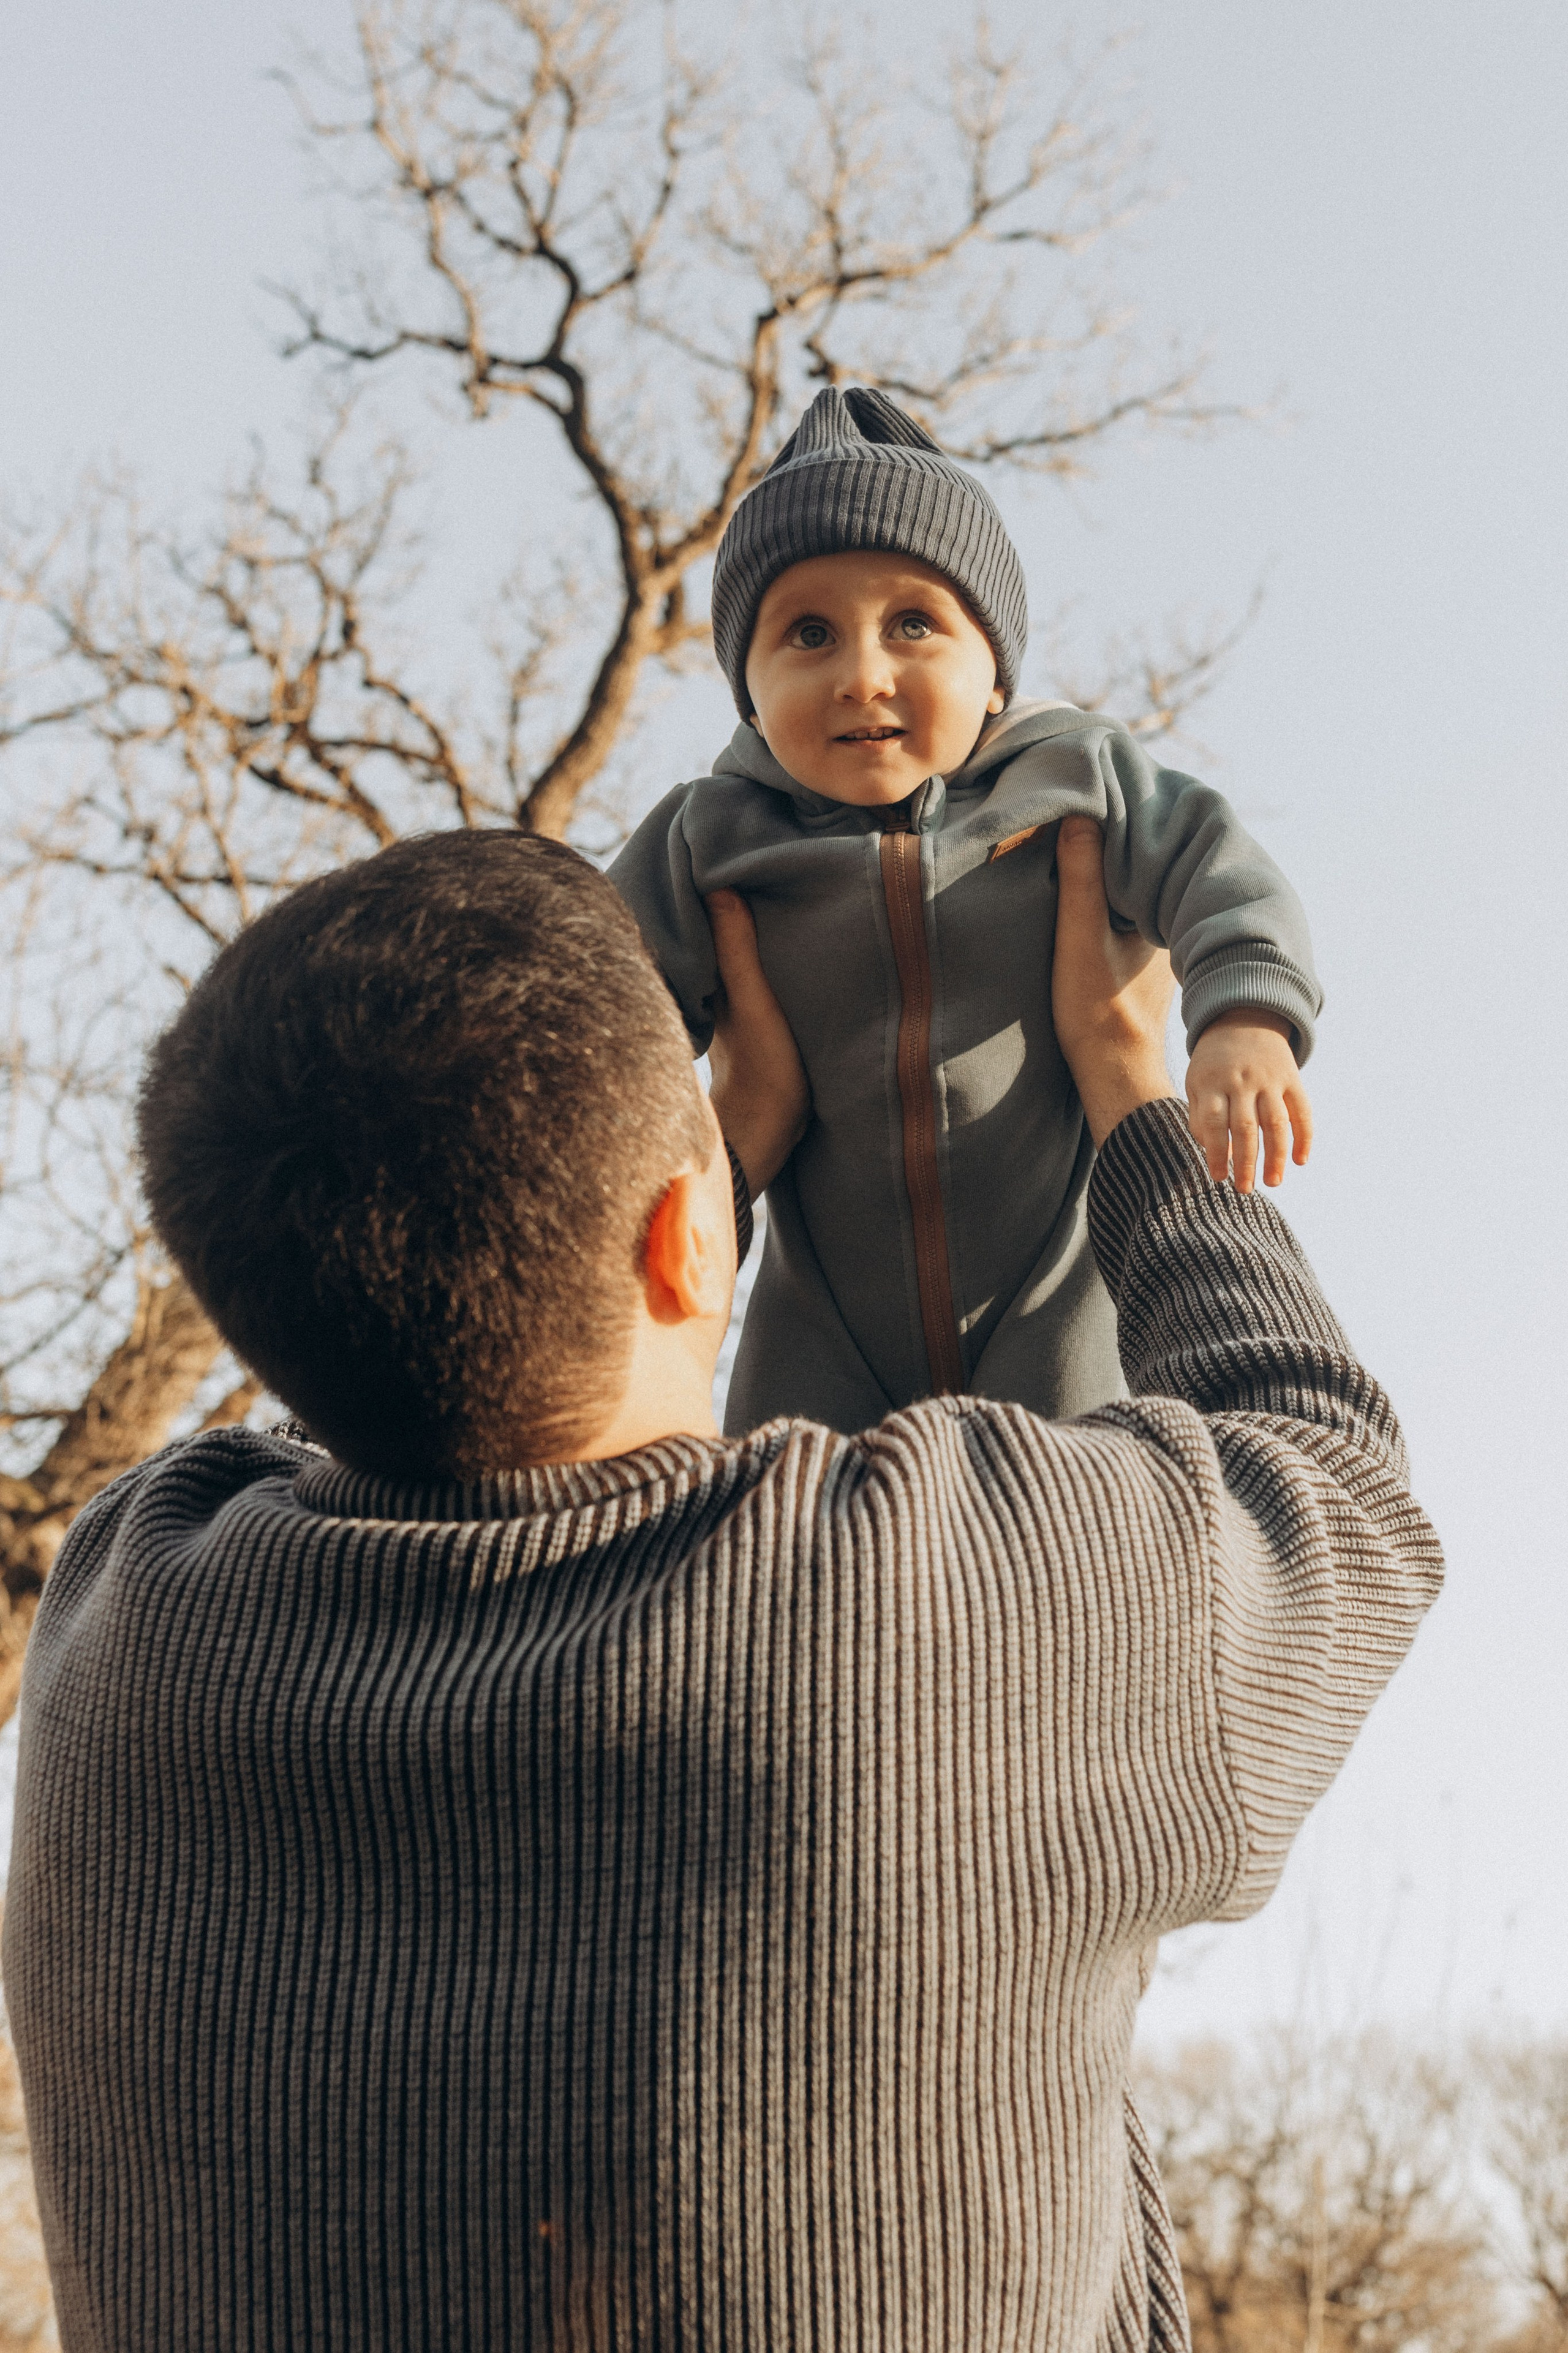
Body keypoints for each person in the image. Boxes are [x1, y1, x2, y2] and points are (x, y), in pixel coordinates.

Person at [3, 822, 1439, 2353]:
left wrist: (706, 1167)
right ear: (690, 1238)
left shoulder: (125, 1611)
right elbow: (1333, 1486)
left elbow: (385, 1344)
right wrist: (1127, 1093)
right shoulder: (920, 1618)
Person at [611, 384, 1319, 1433]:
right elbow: (603, 1000)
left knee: (1071, 1513)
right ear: (746, 691)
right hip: (822, 1313)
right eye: (808, 634)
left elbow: (1214, 864)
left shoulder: (1075, 776)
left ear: (994, 671)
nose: (863, 674)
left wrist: (1244, 1013)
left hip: (1052, 1281)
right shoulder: (712, 836)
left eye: (913, 624)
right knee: (794, 1528)